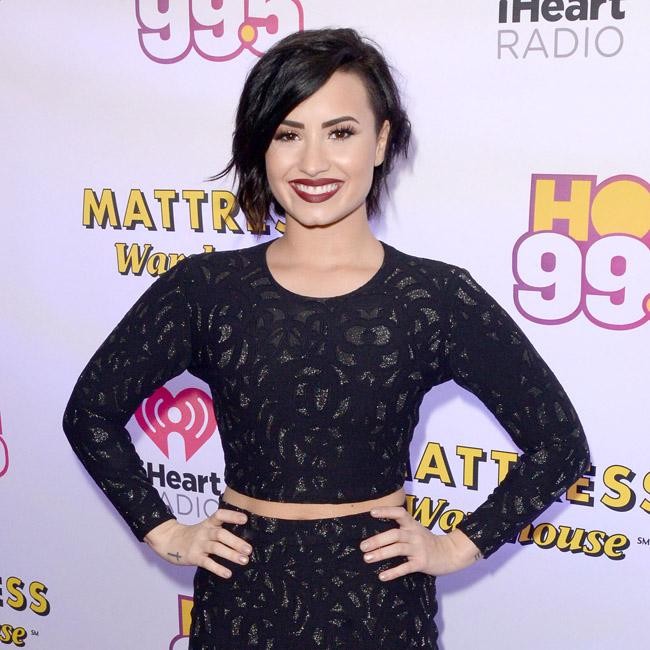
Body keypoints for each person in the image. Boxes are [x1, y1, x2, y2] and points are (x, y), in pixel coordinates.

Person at [62, 27, 590, 649]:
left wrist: (457, 546)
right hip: (242, 603)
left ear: (381, 140)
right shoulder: (206, 289)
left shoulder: (434, 297)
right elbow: (90, 412)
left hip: (380, 605)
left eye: (340, 132)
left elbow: (560, 444)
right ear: (261, 146)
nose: (312, 163)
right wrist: (166, 531)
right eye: (288, 134)